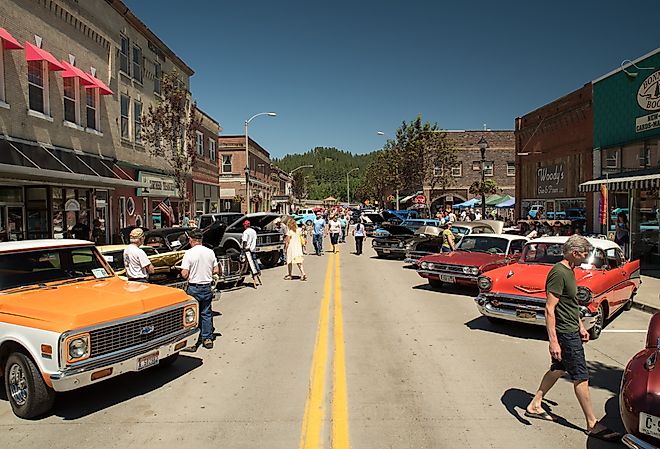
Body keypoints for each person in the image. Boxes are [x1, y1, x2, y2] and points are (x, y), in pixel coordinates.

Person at [525, 235, 622, 443]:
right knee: (581, 376)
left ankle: (535, 404)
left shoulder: (570, 270)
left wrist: (581, 326)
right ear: (574, 252)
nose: (586, 256)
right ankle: (592, 423)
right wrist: (553, 341)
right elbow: (550, 309)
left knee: (558, 369)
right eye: (584, 253)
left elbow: (570, 303)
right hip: (564, 333)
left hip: (572, 329)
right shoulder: (558, 273)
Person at [180, 228, 218, 350]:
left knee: (192, 314)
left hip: (194, 287)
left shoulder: (189, 253)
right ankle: (207, 338)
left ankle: (193, 342)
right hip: (206, 286)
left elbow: (184, 274)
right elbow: (216, 270)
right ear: (201, 240)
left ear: (191, 240)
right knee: (206, 313)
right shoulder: (210, 252)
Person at [242, 220, 262, 287]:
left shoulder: (246, 232)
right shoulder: (253, 231)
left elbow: (244, 241)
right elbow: (255, 239)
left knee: (249, 262)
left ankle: (249, 272)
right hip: (253, 248)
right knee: (254, 260)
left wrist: (243, 248)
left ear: (245, 225)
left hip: (248, 250)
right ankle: (258, 270)